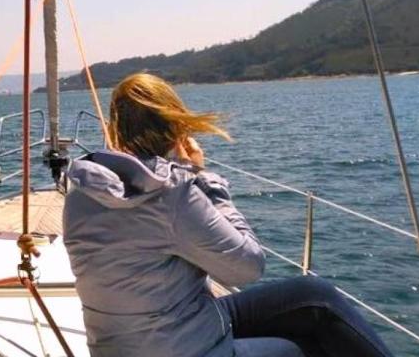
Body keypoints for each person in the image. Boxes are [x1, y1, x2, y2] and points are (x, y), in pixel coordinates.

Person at [62, 73, 394, 357]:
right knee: (296, 346)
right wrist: (202, 179)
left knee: (314, 296)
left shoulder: (80, 192)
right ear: (176, 128)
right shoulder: (172, 196)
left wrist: (181, 174)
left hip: (124, 345)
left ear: (114, 129)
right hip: (182, 348)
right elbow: (247, 268)